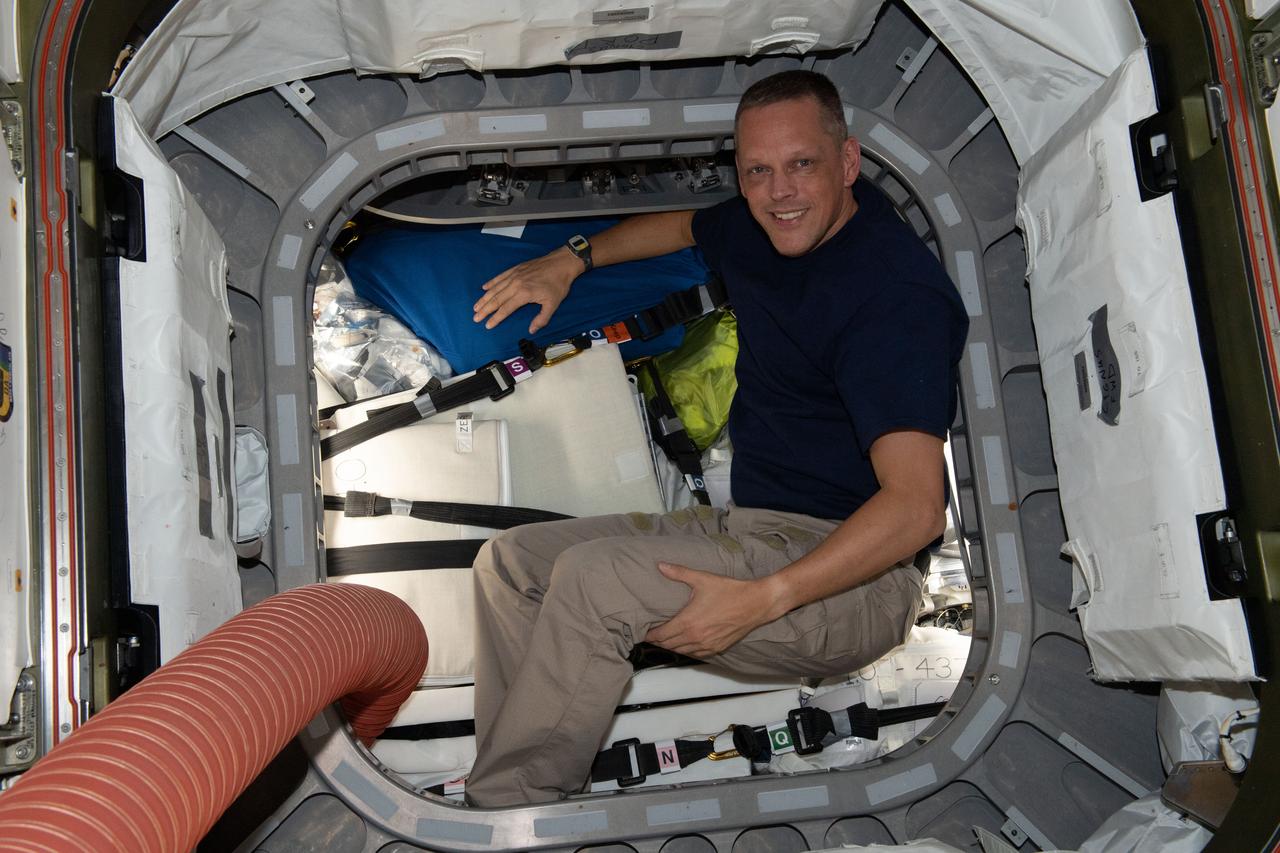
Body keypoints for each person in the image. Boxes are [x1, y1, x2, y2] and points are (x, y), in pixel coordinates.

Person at [462, 70, 969, 807]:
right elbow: (683, 226)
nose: (780, 191)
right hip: (753, 527)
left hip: (855, 580)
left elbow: (917, 509)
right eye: (758, 170)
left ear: (849, 162)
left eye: (803, 164)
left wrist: (763, 598)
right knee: (510, 563)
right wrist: (571, 259)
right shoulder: (762, 225)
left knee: (594, 581)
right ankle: (516, 779)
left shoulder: (895, 298)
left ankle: (507, 813)